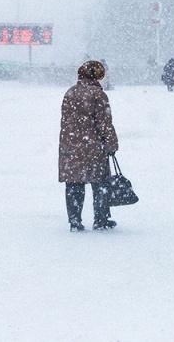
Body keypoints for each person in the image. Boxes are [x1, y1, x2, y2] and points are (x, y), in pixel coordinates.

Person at [58, 60, 118, 232]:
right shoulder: (98, 95)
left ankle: (75, 221)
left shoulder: (70, 92)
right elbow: (105, 123)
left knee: (74, 184)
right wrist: (111, 143)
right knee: (100, 183)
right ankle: (101, 219)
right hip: (93, 146)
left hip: (70, 147)